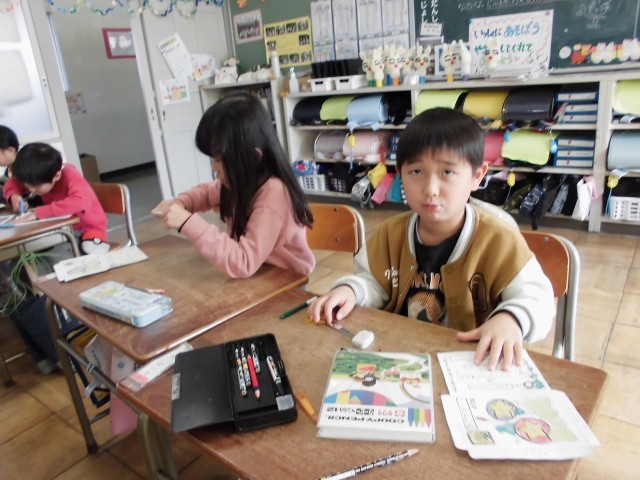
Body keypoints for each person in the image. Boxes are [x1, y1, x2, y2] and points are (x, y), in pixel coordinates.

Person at [308, 107, 555, 370]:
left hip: (471, 364)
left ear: (477, 176)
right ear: (400, 173)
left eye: (447, 172)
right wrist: (351, 290)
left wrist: (511, 319)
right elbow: (374, 283)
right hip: (402, 358)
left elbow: (537, 299)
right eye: (416, 172)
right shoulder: (389, 234)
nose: (430, 189)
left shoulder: (499, 238)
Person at [153, 91, 315, 278]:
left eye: (219, 160)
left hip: (286, 282)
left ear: (253, 158)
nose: (214, 168)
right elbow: (206, 193)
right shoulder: (240, 182)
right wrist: (182, 203)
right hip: (257, 275)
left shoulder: (274, 193)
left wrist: (188, 223)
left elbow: (244, 262)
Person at [5, 142, 110, 255]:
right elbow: (12, 183)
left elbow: (79, 201)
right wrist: (14, 195)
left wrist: (37, 213)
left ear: (56, 176)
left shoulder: (69, 175)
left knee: (59, 255)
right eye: (27, 185)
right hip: (61, 226)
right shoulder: (37, 176)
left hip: (86, 228)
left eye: (35, 186)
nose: (31, 189)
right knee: (29, 249)